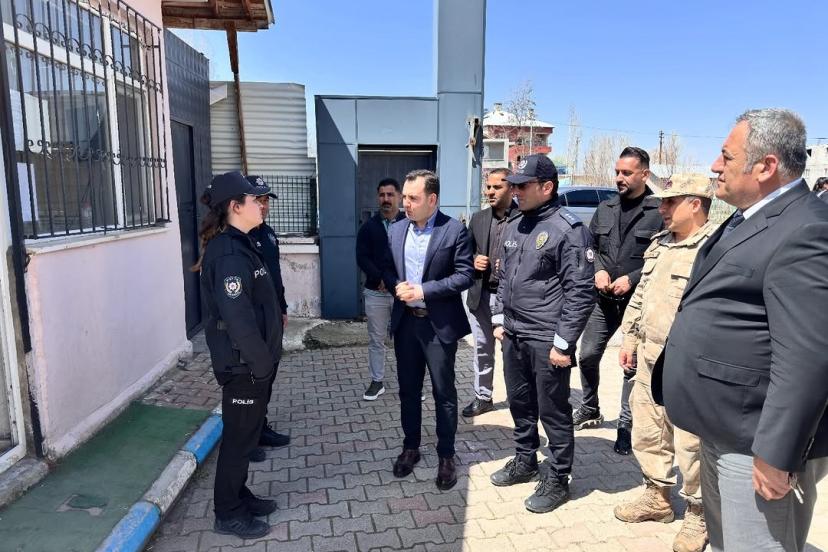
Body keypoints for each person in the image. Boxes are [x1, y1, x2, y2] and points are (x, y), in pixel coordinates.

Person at [653, 109, 828, 552]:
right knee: (727, 542)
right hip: (722, 424)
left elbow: (807, 357)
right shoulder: (748, 216)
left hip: (756, 441)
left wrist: (778, 452)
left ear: (766, 166)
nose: (715, 166)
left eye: (726, 157)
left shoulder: (807, 229)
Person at [614, 174, 717, 552]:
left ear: (695, 203)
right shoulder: (661, 243)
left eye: (671, 202)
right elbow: (641, 294)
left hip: (689, 361)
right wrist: (629, 337)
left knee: (691, 441)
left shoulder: (715, 247)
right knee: (648, 429)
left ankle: (699, 513)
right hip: (649, 355)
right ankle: (657, 497)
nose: (662, 209)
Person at [489, 154, 596, 514]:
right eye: (514, 185)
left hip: (547, 339)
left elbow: (581, 291)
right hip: (514, 334)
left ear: (547, 187)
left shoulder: (569, 229)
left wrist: (563, 344)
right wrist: (500, 320)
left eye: (523, 185)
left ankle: (559, 477)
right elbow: (504, 276)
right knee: (520, 403)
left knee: (553, 410)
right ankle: (525, 460)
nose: (515, 191)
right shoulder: (516, 224)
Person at [194, 171, 284, 539]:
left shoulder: (242, 243)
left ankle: (238, 494)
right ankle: (227, 512)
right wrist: (261, 365)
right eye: (252, 199)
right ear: (235, 206)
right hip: (243, 366)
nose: (260, 204)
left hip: (253, 364)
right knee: (237, 440)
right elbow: (238, 318)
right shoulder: (229, 253)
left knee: (246, 437)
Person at [384, 169, 474, 490]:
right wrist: (395, 285)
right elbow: (388, 268)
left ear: (432, 199)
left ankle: (446, 455)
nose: (405, 204)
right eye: (405, 197)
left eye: (413, 198)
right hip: (406, 324)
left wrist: (422, 290)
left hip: (438, 326)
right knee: (408, 390)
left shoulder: (454, 231)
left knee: (443, 392)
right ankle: (411, 447)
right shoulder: (396, 229)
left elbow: (464, 275)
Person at [573, 146, 663, 455]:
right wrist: (598, 270)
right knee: (587, 354)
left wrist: (633, 278)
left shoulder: (658, 211)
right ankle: (590, 407)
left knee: (630, 365)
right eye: (617, 172)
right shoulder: (606, 207)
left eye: (626, 173)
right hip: (603, 299)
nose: (619, 178)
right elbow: (591, 248)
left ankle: (625, 425)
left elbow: (661, 256)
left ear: (644, 174)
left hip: (638, 302)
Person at [242, 176, 290, 463]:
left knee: (268, 374)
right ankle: (246, 437)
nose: (263, 205)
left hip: (271, 316)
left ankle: (260, 427)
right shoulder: (240, 237)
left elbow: (276, 276)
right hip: (252, 320)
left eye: (266, 200)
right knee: (251, 378)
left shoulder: (268, 233)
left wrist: (282, 308)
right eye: (258, 200)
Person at [463, 168, 517, 417]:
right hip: (481, 294)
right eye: (488, 187)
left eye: (497, 187)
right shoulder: (478, 218)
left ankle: (518, 399)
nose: (491, 192)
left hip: (511, 300)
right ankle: (483, 397)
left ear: (512, 188)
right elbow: (462, 252)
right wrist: (473, 260)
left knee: (511, 352)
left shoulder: (524, 218)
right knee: (482, 349)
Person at [356, 178, 405, 401]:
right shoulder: (368, 227)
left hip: (403, 292)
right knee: (376, 340)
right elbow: (362, 257)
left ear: (399, 196)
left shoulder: (409, 223)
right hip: (376, 292)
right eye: (382, 195)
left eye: (390, 194)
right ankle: (377, 382)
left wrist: (393, 280)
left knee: (406, 339)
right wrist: (380, 278)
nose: (386, 199)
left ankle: (410, 383)